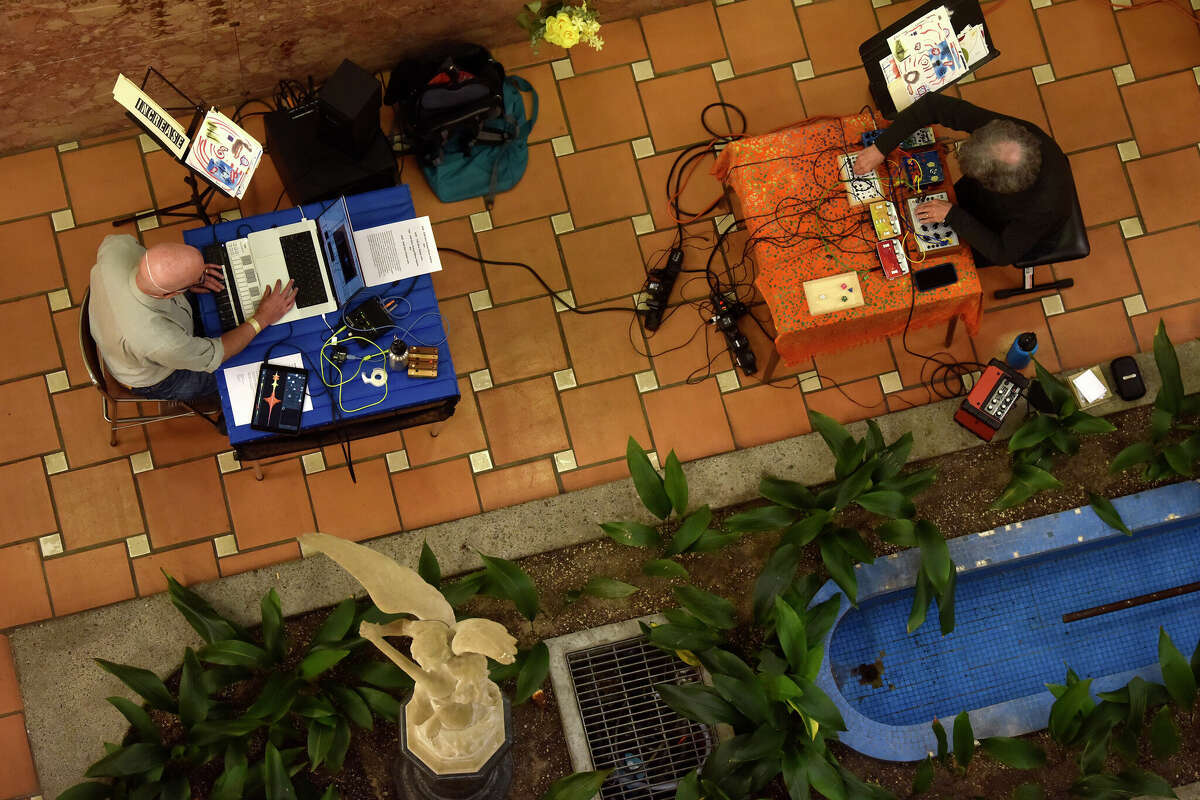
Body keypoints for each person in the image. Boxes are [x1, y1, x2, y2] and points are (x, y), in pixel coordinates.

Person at [853, 94, 1073, 267]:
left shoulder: (1043, 208)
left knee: (946, 255)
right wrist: (882, 147)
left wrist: (952, 215)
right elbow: (932, 105)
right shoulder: (1005, 132)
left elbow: (1002, 252)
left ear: (994, 186)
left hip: (1009, 230)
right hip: (991, 197)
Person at [87, 235, 298, 404]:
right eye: (197, 279)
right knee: (246, 366)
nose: (203, 277)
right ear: (170, 294)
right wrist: (262, 318)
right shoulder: (160, 340)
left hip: (123, 330)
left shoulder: (117, 247)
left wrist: (193, 275)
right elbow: (216, 354)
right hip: (158, 376)